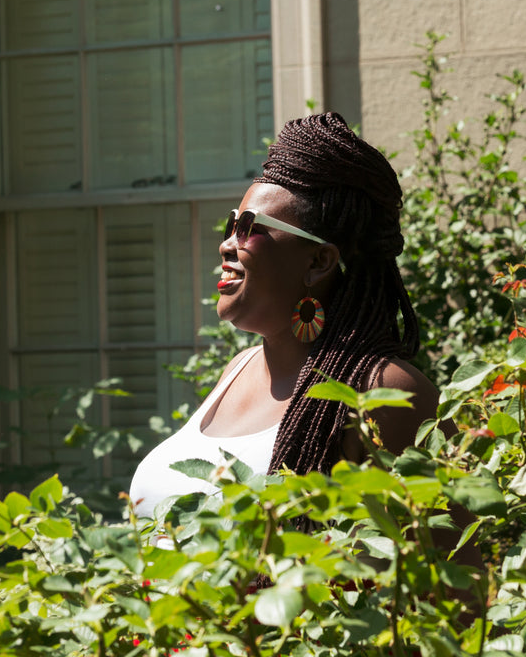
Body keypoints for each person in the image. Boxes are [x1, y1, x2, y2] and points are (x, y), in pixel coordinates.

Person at [130, 112, 455, 519]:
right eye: (231, 224)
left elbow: (454, 574)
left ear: (319, 261)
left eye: (250, 227)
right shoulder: (239, 368)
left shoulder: (383, 393)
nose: (227, 244)